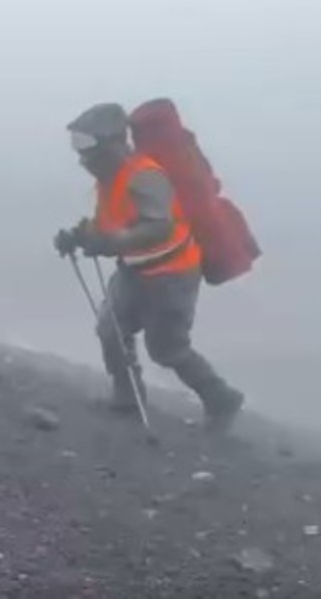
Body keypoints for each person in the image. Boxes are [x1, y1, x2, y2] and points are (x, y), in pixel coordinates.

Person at [54, 102, 245, 432]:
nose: (81, 157)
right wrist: (78, 235)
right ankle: (127, 398)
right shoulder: (109, 179)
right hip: (133, 270)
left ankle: (221, 398)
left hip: (172, 275)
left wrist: (110, 242)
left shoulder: (145, 176)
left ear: (114, 143)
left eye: (86, 145)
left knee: (167, 349)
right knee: (111, 331)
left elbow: (159, 227)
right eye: (77, 145)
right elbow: (111, 221)